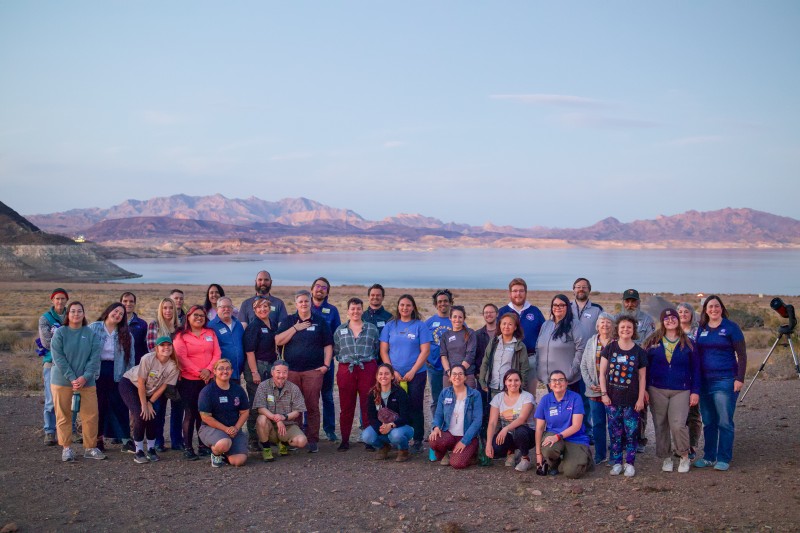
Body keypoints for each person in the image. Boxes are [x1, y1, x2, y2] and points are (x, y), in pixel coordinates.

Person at [692, 295, 747, 472]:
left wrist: (739, 378)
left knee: (724, 420)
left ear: (721, 308)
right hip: (705, 382)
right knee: (709, 421)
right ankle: (709, 456)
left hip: (725, 380)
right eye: (710, 307)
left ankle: (723, 457)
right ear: (705, 310)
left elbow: (742, 355)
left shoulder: (731, 328)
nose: (713, 309)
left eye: (716, 306)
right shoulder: (701, 328)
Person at [275, 290, 334, 453]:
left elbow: (328, 345)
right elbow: (278, 340)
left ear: (310, 302)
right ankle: (295, 437)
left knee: (312, 405)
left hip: (313, 371)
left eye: (306, 301)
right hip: (292, 371)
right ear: (296, 304)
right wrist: (295, 328)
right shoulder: (289, 320)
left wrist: (326, 365)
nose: (303, 304)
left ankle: (313, 439)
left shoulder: (320, 322)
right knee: (294, 406)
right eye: (300, 301)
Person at [644, 308, 700, 474]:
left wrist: (695, 391)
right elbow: (644, 368)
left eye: (673, 318)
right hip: (656, 389)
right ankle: (666, 457)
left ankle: (684, 455)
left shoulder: (689, 343)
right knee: (660, 424)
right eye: (666, 319)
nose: (670, 321)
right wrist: (645, 389)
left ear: (678, 320)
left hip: (681, 389)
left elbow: (696, 369)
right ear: (663, 321)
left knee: (678, 425)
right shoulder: (653, 341)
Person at [50, 301, 105, 461]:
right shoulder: (60, 333)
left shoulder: (91, 334)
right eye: (72, 311)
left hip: (86, 382)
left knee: (90, 415)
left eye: (79, 311)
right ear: (68, 314)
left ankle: (90, 447)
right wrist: (72, 378)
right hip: (62, 381)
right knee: (63, 415)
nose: (76, 314)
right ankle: (66, 448)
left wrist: (84, 377)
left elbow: (94, 359)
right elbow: (58, 358)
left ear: (83, 314)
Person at [379, 294, 432, 453]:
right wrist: (392, 371)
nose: (405, 308)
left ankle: (417, 440)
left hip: (416, 374)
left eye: (408, 305)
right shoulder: (390, 326)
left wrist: (413, 371)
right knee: (395, 407)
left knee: (416, 406)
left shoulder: (420, 326)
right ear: (398, 307)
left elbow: (425, 350)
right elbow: (383, 350)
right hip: (394, 375)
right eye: (402, 305)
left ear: (413, 307)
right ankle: (397, 438)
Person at [118, 336, 180, 464]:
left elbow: (164, 387)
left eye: (169, 345)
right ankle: (139, 451)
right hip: (131, 384)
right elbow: (141, 382)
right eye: (162, 345)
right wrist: (144, 404)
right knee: (140, 414)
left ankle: (151, 449)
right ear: (156, 348)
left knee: (153, 415)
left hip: (152, 391)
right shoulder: (148, 358)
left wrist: (150, 402)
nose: (166, 348)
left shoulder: (173, 365)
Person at [599, 316, 648, 477]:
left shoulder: (639, 352)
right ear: (617, 330)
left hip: (632, 401)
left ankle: (630, 463)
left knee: (632, 432)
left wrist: (641, 398)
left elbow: (642, 378)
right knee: (615, 432)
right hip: (612, 399)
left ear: (633, 330)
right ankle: (617, 462)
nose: (625, 330)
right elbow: (602, 373)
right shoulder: (610, 348)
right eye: (622, 327)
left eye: (629, 327)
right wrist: (604, 394)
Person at [173, 305, 221, 460]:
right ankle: (188, 447)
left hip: (208, 380)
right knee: (190, 414)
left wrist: (209, 371)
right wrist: (200, 373)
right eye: (196, 315)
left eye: (202, 315)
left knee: (204, 414)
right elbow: (181, 358)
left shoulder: (210, 333)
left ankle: (203, 445)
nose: (199, 318)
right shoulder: (181, 335)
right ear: (188, 317)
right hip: (189, 381)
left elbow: (217, 353)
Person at [334, 297, 380, 451]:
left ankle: (369, 439)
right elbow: (336, 350)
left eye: (358, 308)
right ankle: (345, 440)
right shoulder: (340, 330)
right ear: (347, 311)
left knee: (367, 405)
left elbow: (376, 349)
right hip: (346, 370)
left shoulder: (371, 329)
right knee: (346, 407)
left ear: (362, 310)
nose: (355, 311)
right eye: (352, 309)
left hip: (367, 369)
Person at [89, 302, 134, 452]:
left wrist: (129, 376)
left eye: (121, 314)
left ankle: (126, 439)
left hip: (118, 372)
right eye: (116, 311)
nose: (117, 315)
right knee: (99, 406)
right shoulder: (94, 327)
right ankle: (98, 439)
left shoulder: (125, 333)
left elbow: (131, 358)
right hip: (97, 371)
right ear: (109, 311)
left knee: (120, 405)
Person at [616, 289, 656, 452]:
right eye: (627, 301)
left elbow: (650, 343)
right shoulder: (616, 319)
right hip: (620, 368)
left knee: (640, 404)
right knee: (620, 403)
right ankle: (622, 438)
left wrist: (634, 352)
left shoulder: (647, 320)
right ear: (623, 302)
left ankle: (639, 438)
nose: (630, 304)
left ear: (638, 302)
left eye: (633, 301)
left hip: (640, 366)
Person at [534, 370, 594, 479]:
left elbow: (577, 426)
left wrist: (557, 437)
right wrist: (538, 455)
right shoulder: (545, 400)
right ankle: (554, 464)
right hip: (553, 435)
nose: (557, 383)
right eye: (554, 380)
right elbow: (539, 428)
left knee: (572, 473)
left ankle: (585, 457)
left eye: (561, 380)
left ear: (566, 383)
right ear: (550, 385)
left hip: (575, 438)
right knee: (548, 449)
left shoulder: (576, 398)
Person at [146, 297, 182, 452]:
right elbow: (151, 349)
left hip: (177, 373)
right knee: (159, 409)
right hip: (159, 375)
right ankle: (158, 441)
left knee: (177, 408)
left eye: (170, 308)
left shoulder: (179, 327)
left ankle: (176, 441)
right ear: (161, 310)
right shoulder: (155, 325)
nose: (168, 311)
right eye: (165, 308)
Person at [198, 359, 250, 467]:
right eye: (221, 369)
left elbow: (245, 412)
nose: (224, 371)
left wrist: (236, 428)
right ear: (215, 371)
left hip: (233, 429)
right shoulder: (207, 391)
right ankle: (216, 453)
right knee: (224, 443)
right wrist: (225, 429)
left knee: (238, 461)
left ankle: (225, 454)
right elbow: (206, 417)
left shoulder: (238, 389)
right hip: (211, 428)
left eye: (227, 369)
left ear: (232, 371)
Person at [429, 364, 483, 469]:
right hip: (450, 435)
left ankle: (471, 454)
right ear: (449, 377)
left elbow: (477, 421)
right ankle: (446, 454)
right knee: (434, 440)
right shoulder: (445, 393)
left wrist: (464, 441)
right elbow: (439, 414)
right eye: (454, 374)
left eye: (460, 374)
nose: (457, 377)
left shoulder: (474, 395)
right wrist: (435, 427)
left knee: (457, 464)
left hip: (468, 436)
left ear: (465, 377)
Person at [253, 360, 309, 461]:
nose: (281, 375)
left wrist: (284, 417)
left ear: (288, 373)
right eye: (278, 372)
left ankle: (283, 444)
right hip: (269, 425)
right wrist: (277, 420)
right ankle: (266, 450)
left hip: (287, 425)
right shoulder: (263, 386)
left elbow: (298, 411)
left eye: (285, 372)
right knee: (261, 419)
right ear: (272, 372)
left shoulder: (294, 388)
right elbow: (260, 408)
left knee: (302, 441)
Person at [579, 312, 616, 465]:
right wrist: (590, 383)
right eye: (602, 322)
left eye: (608, 322)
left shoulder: (617, 342)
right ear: (597, 325)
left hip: (614, 391)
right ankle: (600, 455)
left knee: (614, 424)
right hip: (594, 390)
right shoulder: (591, 342)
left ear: (613, 326)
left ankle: (615, 455)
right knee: (598, 423)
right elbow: (584, 365)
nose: (605, 325)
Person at [242, 296, 278, 452]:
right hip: (256, 367)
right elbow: (250, 351)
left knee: (268, 401)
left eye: (265, 307)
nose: (263, 310)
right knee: (256, 404)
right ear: (254, 310)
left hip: (269, 367)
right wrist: (255, 372)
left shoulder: (272, 324)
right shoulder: (254, 326)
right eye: (259, 308)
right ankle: (253, 439)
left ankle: (267, 435)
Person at [497, 278, 545, 392]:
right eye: (515, 291)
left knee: (529, 396)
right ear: (510, 293)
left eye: (521, 291)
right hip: (508, 359)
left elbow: (544, 334)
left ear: (526, 293)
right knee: (508, 393)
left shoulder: (535, 311)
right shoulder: (502, 312)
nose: (518, 294)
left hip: (530, 360)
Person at [485, 369, 537, 472]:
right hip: (509, 434)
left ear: (520, 382)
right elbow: (492, 423)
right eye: (510, 380)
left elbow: (522, 419)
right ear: (505, 382)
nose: (513, 383)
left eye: (516, 380)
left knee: (520, 431)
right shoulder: (498, 398)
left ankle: (525, 458)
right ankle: (511, 452)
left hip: (527, 433)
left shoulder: (527, 397)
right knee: (496, 448)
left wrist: (505, 429)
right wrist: (488, 444)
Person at [309, 276, 341, 443]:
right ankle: (308, 429)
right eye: (317, 286)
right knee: (309, 397)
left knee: (327, 396)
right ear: (311, 289)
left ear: (327, 292)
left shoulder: (333, 311)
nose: (320, 289)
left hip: (327, 363)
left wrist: (329, 358)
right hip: (308, 363)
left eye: (324, 287)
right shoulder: (305, 308)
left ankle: (329, 430)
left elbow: (337, 337)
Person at [362, 363, 414, 461]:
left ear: (392, 376)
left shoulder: (400, 392)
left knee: (396, 435)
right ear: (377, 377)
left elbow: (406, 417)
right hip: (382, 427)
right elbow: (371, 417)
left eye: (386, 374)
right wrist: (380, 428)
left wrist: (391, 425)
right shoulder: (373, 393)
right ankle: (383, 447)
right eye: (380, 374)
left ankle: (403, 450)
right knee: (366, 436)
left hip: (401, 427)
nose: (383, 376)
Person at [535, 294, 586, 393]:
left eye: (561, 305)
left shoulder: (574, 325)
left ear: (567, 307)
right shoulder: (546, 325)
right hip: (550, 379)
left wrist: (572, 372)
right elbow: (538, 348)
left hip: (568, 380)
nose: (558, 307)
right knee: (554, 407)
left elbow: (581, 349)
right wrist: (539, 370)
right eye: (555, 305)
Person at [37, 288, 68, 446]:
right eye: (57, 299)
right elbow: (46, 342)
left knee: (69, 398)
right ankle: (49, 431)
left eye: (63, 299)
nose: (60, 302)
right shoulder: (45, 318)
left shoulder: (73, 315)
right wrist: (67, 347)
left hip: (72, 363)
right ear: (52, 300)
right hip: (52, 363)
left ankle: (69, 430)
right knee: (51, 399)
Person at [479, 313, 529, 400]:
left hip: (510, 388)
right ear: (500, 325)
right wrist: (482, 381)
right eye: (504, 323)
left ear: (515, 327)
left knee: (508, 413)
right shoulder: (493, 342)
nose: (506, 326)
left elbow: (524, 368)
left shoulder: (519, 346)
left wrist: (521, 386)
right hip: (493, 387)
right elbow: (485, 362)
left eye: (510, 324)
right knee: (494, 412)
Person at [678, 301, 702, 457]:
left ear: (692, 314)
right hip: (677, 378)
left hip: (693, 376)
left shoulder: (698, 332)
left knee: (693, 413)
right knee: (679, 415)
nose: (683, 314)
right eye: (680, 312)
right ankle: (681, 446)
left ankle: (692, 446)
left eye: (686, 312)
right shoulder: (671, 331)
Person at [425, 289, 453, 420]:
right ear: (436, 304)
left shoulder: (456, 320)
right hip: (434, 367)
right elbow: (421, 343)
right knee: (436, 399)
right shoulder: (429, 323)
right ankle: (435, 428)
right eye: (440, 302)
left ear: (450, 303)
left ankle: (450, 428)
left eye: (446, 301)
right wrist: (425, 359)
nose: (443, 304)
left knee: (451, 399)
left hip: (451, 369)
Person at [208, 297, 245, 384]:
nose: (226, 309)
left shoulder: (238, 324)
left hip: (236, 372)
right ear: (217, 309)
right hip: (220, 374)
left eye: (229, 307)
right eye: (223, 307)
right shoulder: (211, 326)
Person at [440, 306, 477, 389]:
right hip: (449, 375)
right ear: (450, 318)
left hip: (467, 374)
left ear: (464, 319)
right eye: (454, 317)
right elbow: (443, 356)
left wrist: (460, 373)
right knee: (449, 400)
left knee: (468, 400)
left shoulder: (470, 333)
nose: (457, 319)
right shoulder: (445, 336)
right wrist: (450, 372)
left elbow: (470, 355)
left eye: (460, 317)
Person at [121, 292, 148, 365]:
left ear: (135, 304)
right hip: (116, 365)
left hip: (135, 365)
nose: (128, 304)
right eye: (125, 301)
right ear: (120, 303)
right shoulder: (115, 322)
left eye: (131, 301)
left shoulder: (142, 324)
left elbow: (145, 347)